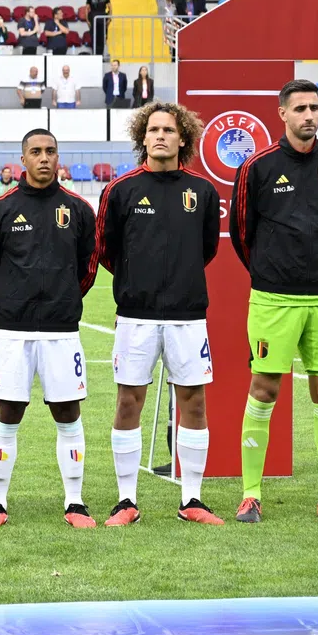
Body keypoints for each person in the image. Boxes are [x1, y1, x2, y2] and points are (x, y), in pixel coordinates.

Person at [231, 80, 318, 523]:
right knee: (264, 388)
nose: (309, 115)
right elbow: (242, 232)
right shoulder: (258, 167)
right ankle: (250, 495)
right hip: (274, 298)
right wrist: (272, 270)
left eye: (314, 108)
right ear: (282, 113)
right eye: (300, 108)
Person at [96, 103, 224, 525]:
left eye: (169, 130)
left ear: (182, 137)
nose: (160, 136)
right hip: (136, 314)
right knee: (128, 400)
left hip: (188, 314)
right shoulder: (121, 190)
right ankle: (126, 501)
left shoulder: (202, 192)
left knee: (194, 401)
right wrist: (140, 278)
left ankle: (192, 501)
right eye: (153, 130)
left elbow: (207, 249)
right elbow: (107, 249)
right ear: (142, 137)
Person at [0, 128, 99, 528]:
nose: (44, 158)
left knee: (67, 413)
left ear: (58, 158)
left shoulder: (78, 209)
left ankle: (75, 503)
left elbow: (88, 268)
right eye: (36, 152)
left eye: (50, 151)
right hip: (13, 330)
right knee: (8, 413)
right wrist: (13, 302)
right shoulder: (1, 209)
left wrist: (62, 300)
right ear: (22, 160)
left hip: (62, 330)